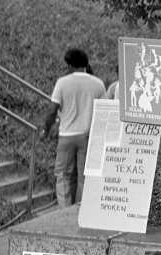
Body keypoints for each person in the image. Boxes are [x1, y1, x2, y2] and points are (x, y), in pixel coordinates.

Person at [43, 48, 106, 207]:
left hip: (67, 136)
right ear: (86, 64)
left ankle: (65, 210)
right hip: (88, 136)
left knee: (63, 175)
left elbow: (52, 110)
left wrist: (46, 130)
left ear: (70, 66)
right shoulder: (98, 84)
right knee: (84, 176)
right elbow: (104, 111)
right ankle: (81, 208)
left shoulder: (62, 83)